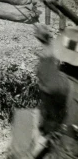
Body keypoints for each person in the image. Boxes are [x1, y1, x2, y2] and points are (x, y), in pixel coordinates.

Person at [8, 24, 78, 158]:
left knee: (25, 117)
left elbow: (49, 81)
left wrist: (47, 45)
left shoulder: (66, 84)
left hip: (61, 153)